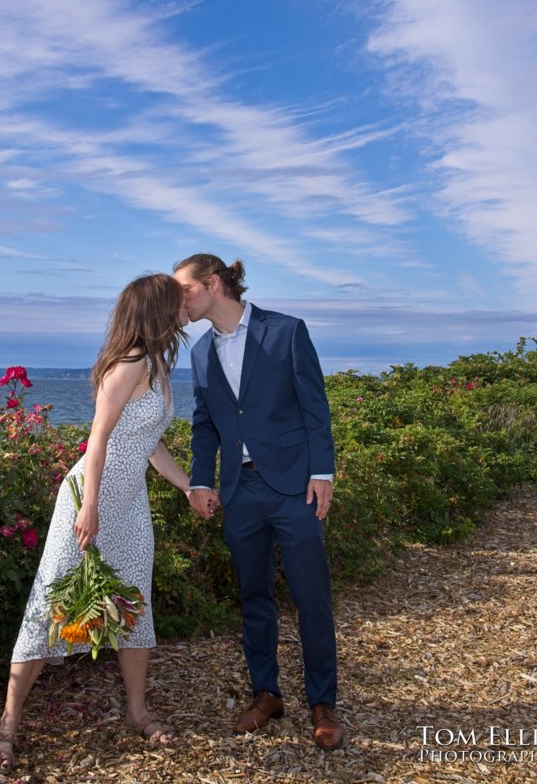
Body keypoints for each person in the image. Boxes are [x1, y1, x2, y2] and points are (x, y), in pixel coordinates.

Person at [0, 274, 192, 774]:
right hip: (89, 499)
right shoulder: (129, 363)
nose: (186, 305)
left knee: (132, 601)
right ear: (157, 310)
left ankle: (138, 712)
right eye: (177, 300)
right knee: (49, 603)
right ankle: (7, 726)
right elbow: (97, 441)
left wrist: (188, 488)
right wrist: (90, 507)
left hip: (130, 503)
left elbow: (150, 444)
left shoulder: (158, 365)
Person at [173, 254, 343, 751]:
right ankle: (266, 694)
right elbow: (205, 423)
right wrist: (200, 481)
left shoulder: (286, 331)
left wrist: (322, 473)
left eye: (183, 289)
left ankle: (323, 703)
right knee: (254, 598)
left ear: (213, 283)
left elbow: (316, 406)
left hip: (295, 487)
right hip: (239, 491)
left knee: (311, 596)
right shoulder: (200, 352)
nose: (177, 299)